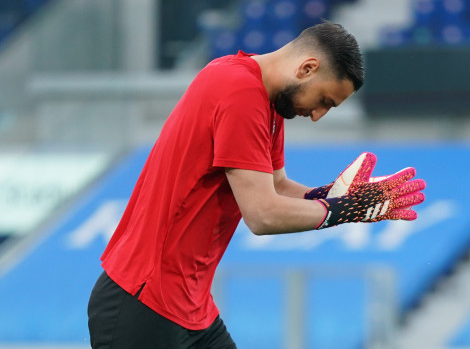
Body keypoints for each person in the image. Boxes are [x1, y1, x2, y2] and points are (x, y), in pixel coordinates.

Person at [87, 21, 426, 348]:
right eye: (325, 101)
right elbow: (263, 215)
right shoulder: (240, 92)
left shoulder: (265, 97)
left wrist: (334, 196)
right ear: (307, 68)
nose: (318, 114)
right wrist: (342, 211)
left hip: (187, 305)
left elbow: (275, 186)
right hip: (145, 302)